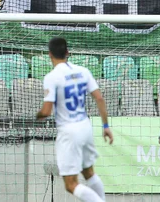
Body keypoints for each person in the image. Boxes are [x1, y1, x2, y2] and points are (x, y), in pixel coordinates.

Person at [37, 37, 113, 202]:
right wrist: (105, 125)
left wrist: (38, 115)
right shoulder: (83, 71)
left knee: (71, 184)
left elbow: (46, 111)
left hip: (69, 132)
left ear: (50, 54)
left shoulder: (52, 77)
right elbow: (99, 98)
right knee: (89, 173)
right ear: (67, 53)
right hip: (85, 127)